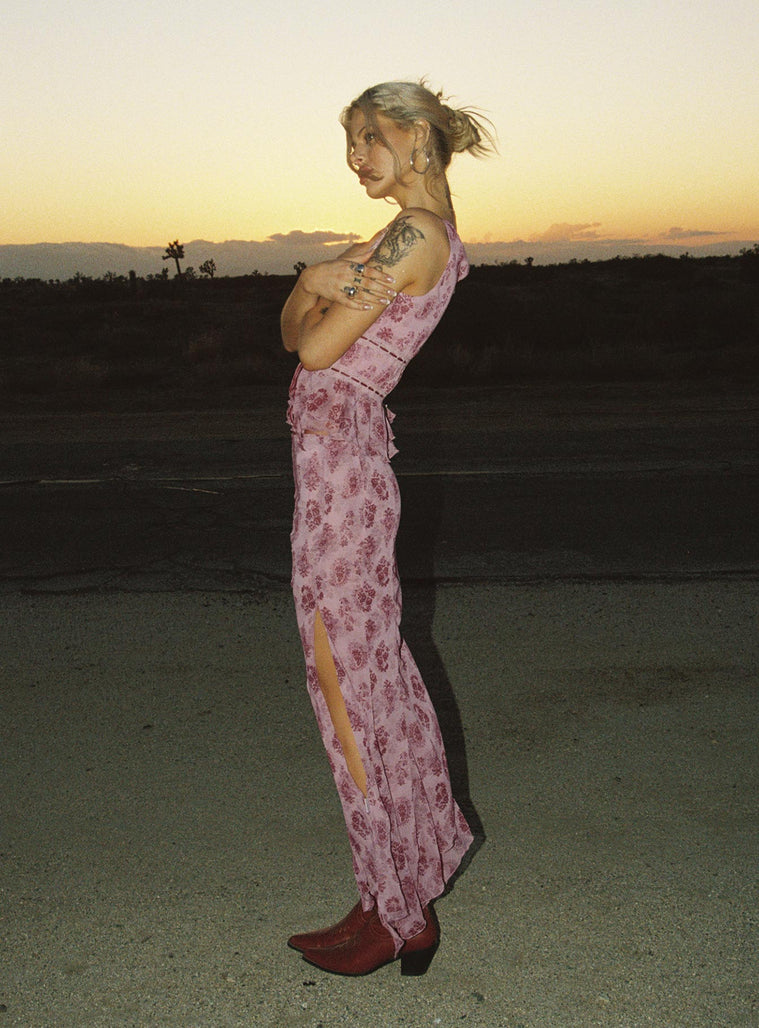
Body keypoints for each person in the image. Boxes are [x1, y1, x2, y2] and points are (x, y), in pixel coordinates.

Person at [281, 80, 494, 977]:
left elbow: (314, 345)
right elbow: (292, 332)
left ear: (415, 136)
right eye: (350, 142)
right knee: (356, 680)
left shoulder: (414, 235)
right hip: (334, 466)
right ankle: (388, 892)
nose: (354, 157)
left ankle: (397, 911)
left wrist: (310, 282)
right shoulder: (406, 233)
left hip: (345, 472)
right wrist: (311, 288)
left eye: (368, 137)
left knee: (347, 685)